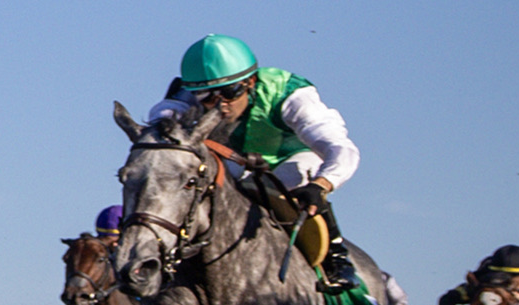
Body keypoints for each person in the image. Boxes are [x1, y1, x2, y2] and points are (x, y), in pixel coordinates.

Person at [147, 33, 363, 291]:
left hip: (295, 158)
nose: (220, 105)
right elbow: (163, 114)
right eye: (207, 97)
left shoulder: (289, 95)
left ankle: (337, 261)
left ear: (250, 81)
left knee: (290, 178)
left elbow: (342, 149)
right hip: (240, 160)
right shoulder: (188, 93)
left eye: (229, 92)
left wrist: (322, 185)